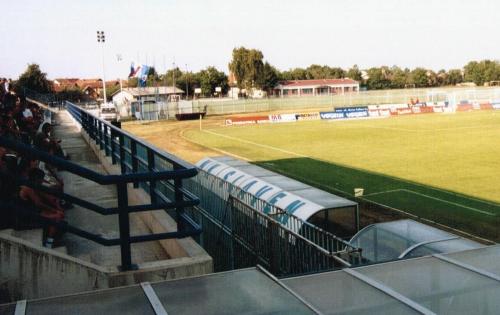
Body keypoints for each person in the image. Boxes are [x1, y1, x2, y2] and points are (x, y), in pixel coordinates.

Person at [19, 168, 65, 248]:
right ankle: (49, 243)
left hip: (34, 211)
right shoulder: (28, 188)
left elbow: (46, 196)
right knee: (57, 217)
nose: (42, 181)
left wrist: (58, 206)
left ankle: (53, 238)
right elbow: (38, 203)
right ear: (36, 178)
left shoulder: (34, 185)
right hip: (28, 215)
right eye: (41, 179)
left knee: (58, 214)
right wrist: (56, 211)